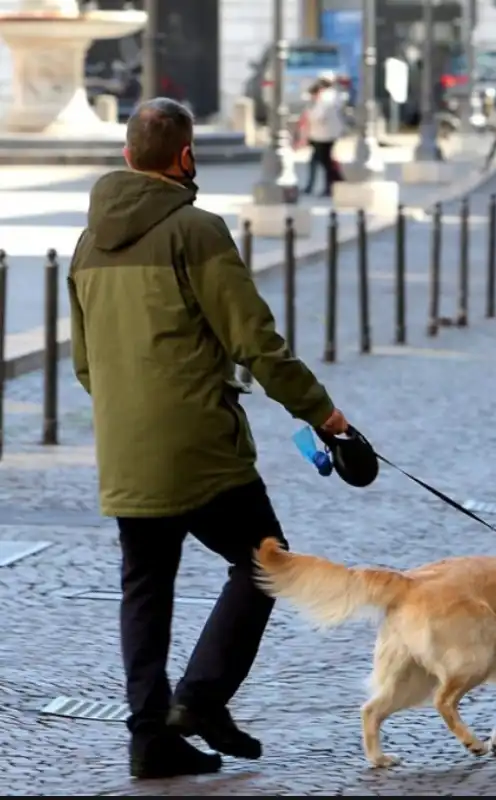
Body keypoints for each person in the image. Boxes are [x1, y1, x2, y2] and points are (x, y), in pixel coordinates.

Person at [67, 97, 349, 780]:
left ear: (129, 156)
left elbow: (83, 366)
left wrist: (133, 414)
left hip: (125, 452)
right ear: (185, 157)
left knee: (145, 587)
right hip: (199, 449)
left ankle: (148, 738)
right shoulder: (196, 230)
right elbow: (255, 342)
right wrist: (325, 416)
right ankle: (199, 700)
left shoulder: (86, 242)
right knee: (266, 564)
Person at [301, 76, 344, 196]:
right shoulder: (333, 96)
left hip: (323, 137)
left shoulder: (325, 99)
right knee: (321, 162)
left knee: (325, 162)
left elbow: (318, 117)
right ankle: (326, 186)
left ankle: (333, 185)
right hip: (325, 135)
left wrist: (309, 116)